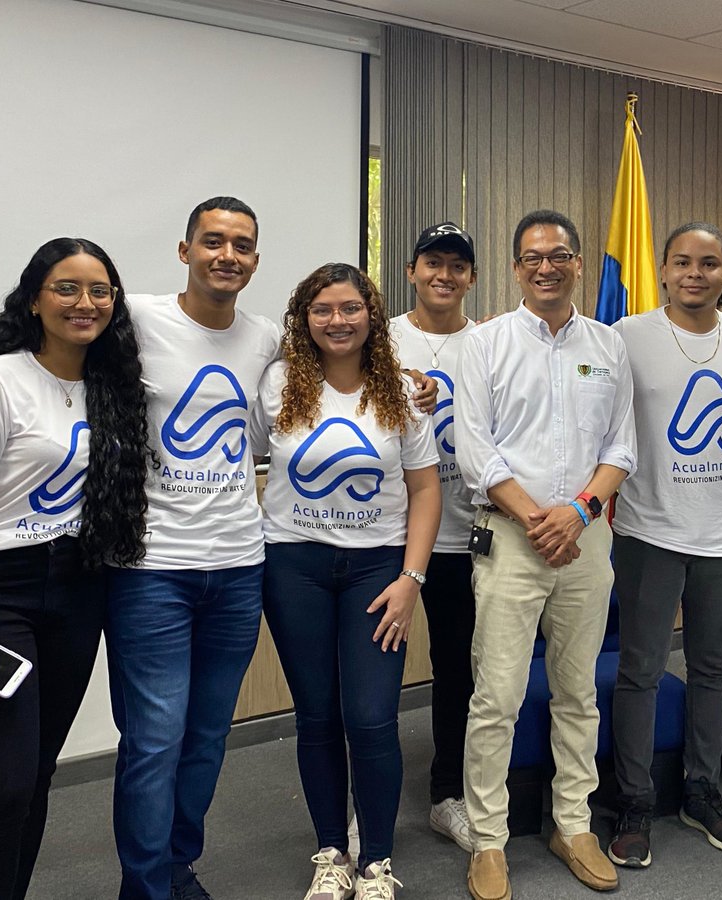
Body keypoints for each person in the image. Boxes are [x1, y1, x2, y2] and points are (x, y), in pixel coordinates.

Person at [0, 237, 151, 900]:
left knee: (34, 777)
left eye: (99, 290)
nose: (85, 302)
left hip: (77, 590)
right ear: (33, 298)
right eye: (66, 287)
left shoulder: (110, 389)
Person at [455, 210, 636, 900]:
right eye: (532, 258)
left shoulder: (608, 345)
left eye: (559, 255)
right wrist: (539, 519)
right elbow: (475, 450)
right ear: (516, 269)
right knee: (496, 697)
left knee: (577, 693)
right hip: (511, 540)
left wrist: (579, 512)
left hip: (587, 540)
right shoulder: (487, 343)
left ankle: (572, 823)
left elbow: (622, 447)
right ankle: (490, 839)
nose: (546, 267)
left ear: (579, 262)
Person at [104, 197, 281, 900]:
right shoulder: (138, 318)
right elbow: (40, 346)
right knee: (153, 741)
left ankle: (177, 865)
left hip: (239, 566)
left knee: (206, 739)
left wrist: (421, 381)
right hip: (151, 571)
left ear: (255, 262)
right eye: (212, 242)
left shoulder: (265, 336)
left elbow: (347, 358)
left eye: (240, 245)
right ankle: (145, 887)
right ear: (185, 251)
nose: (226, 255)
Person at [253, 263, 441, 900]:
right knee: (316, 716)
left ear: (372, 315)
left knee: (371, 718)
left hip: (376, 570)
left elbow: (424, 488)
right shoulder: (277, 384)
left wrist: (412, 577)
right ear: (303, 318)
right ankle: (331, 852)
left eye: (351, 308)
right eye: (322, 309)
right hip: (293, 567)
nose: (337, 320)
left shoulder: (402, 390)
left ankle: (378, 863)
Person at [607, 222, 722, 869]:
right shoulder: (627, 336)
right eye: (681, 262)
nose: (694, 273)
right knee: (640, 671)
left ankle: (700, 790)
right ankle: (634, 800)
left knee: (709, 669)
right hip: (648, 531)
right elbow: (605, 422)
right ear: (664, 271)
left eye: (709, 263)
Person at [389, 222, 479, 851]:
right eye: (432, 263)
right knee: (371, 680)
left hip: (467, 537)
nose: (443, 275)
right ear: (412, 271)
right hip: (387, 536)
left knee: (458, 673)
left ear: (471, 276)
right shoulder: (380, 337)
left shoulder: (493, 342)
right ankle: (364, 801)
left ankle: (447, 793)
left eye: (456, 265)